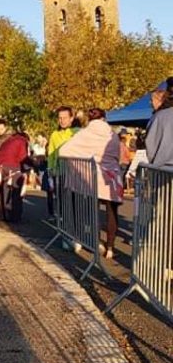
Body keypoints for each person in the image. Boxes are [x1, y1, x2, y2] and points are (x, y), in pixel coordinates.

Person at [59, 107, 123, 259]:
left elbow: (65, 150)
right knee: (111, 212)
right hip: (113, 176)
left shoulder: (85, 133)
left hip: (93, 178)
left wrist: (85, 161)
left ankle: (94, 242)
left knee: (93, 211)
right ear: (104, 118)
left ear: (90, 119)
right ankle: (110, 247)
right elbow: (117, 155)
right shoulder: (112, 134)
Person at [44, 107, 78, 220]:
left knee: (75, 201)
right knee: (62, 201)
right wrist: (50, 170)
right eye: (60, 118)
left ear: (71, 118)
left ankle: (77, 226)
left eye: (65, 118)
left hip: (76, 173)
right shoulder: (55, 134)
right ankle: (65, 225)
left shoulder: (77, 132)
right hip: (60, 173)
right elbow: (51, 154)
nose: (62, 120)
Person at [0, 127, 30, 223]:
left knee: (5, 191)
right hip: (13, 167)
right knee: (16, 192)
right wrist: (26, 171)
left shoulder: (9, 140)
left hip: (0, 166)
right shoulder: (22, 141)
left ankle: (5, 214)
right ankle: (15, 216)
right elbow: (23, 158)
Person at [145, 87, 173, 168]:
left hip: (162, 168)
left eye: (152, 100)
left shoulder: (158, 117)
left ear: (160, 99)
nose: (150, 103)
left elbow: (150, 145)